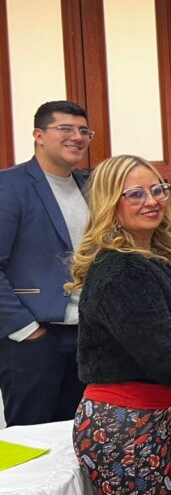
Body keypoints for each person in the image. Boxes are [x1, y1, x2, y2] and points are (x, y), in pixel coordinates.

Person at [69, 155, 171, 494]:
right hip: (124, 424)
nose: (152, 201)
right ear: (110, 203)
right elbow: (163, 352)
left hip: (146, 418)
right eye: (135, 194)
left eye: (158, 190)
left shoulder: (146, 259)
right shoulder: (122, 269)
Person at [0, 100, 92, 425]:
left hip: (88, 335)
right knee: (31, 437)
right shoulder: (9, 185)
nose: (77, 137)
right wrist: (25, 329)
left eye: (84, 131)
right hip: (34, 337)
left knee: (80, 434)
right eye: (65, 128)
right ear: (38, 135)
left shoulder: (90, 186)